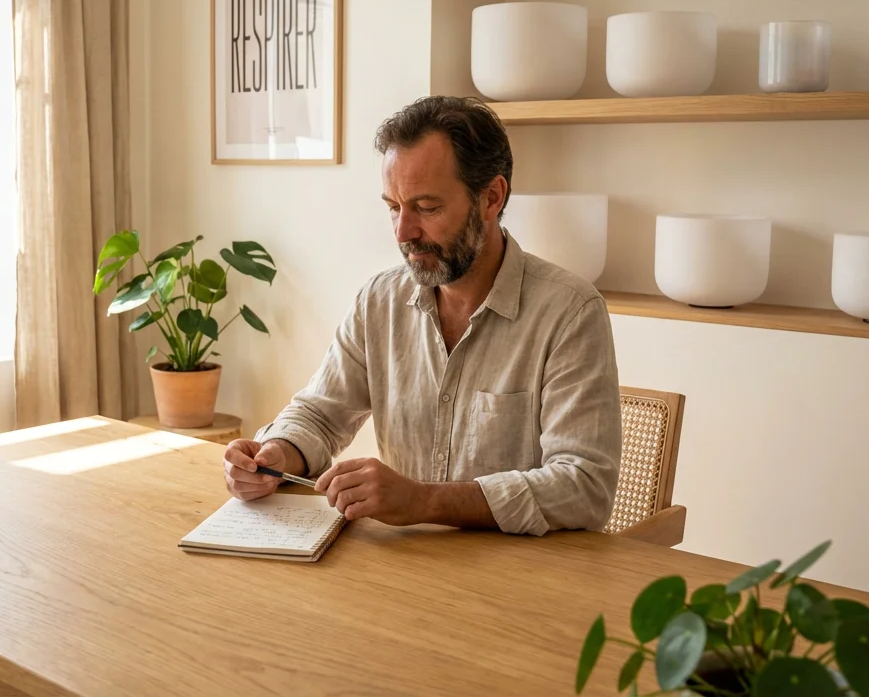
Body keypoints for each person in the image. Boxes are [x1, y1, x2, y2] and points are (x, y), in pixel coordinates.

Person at [222, 96, 622, 536]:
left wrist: (423, 500)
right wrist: (277, 452)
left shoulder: (570, 312)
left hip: (519, 583)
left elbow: (584, 487)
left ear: (492, 197)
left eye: (427, 208)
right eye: (394, 207)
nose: (403, 232)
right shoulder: (380, 301)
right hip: (403, 571)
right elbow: (320, 414)